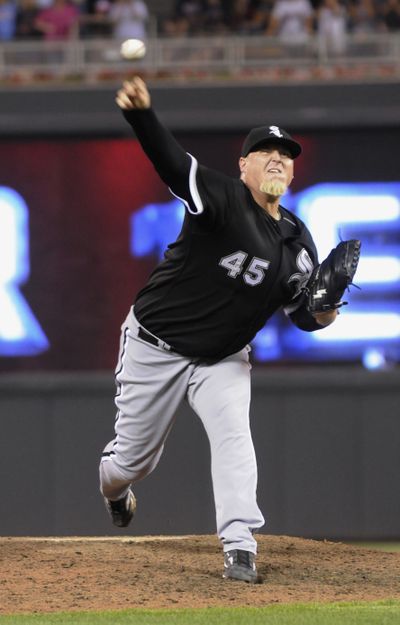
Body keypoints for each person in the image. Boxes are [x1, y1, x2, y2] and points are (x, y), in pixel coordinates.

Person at [99, 76, 338, 584]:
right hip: (154, 344)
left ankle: (239, 546)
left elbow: (300, 314)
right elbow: (168, 160)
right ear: (243, 165)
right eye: (265, 151)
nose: (277, 158)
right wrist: (141, 113)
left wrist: (323, 313)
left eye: (286, 154)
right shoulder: (222, 198)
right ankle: (115, 491)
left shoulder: (299, 241)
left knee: (235, 438)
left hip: (223, 358)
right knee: (129, 464)